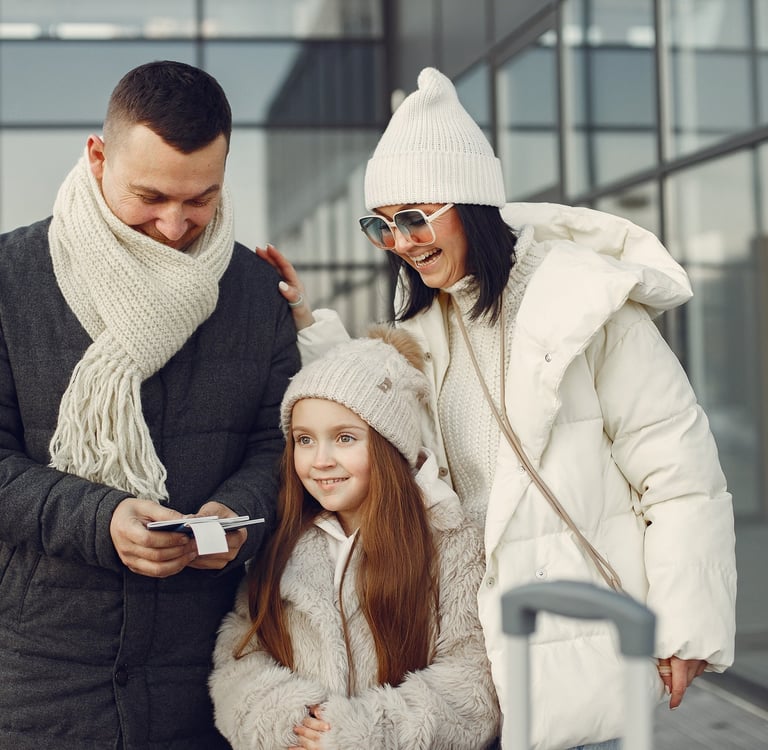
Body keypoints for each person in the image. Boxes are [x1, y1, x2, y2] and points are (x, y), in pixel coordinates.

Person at [257, 67, 737, 749]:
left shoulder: (589, 310)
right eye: (382, 224)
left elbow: (680, 475)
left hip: (580, 638)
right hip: (467, 655)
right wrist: (305, 321)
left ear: (473, 204)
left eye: (416, 218)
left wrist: (687, 627)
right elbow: (371, 400)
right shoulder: (427, 323)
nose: (401, 242)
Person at [0, 61, 300, 749]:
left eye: (201, 200)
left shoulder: (256, 293)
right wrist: (100, 520)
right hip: (37, 678)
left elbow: (278, 443)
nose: (174, 224)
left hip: (205, 677)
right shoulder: (10, 279)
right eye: (151, 195)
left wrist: (237, 519)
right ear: (97, 156)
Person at [209, 326, 499, 749]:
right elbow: (240, 652)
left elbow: (473, 684)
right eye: (304, 440)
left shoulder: (450, 543)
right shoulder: (284, 538)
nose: (321, 460)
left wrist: (364, 734)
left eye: (345, 438)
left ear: (387, 445)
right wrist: (284, 719)